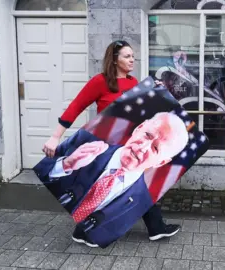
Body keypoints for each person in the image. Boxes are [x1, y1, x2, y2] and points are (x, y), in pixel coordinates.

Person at [42, 40, 182, 244]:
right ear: (115, 60)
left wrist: (158, 90)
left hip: (134, 149)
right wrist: (55, 137)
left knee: (136, 188)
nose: (132, 59)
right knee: (101, 187)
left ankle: (155, 227)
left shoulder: (134, 83)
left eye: (133, 56)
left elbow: (145, 113)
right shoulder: (100, 82)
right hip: (105, 149)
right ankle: (83, 231)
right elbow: (75, 107)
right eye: (127, 56)